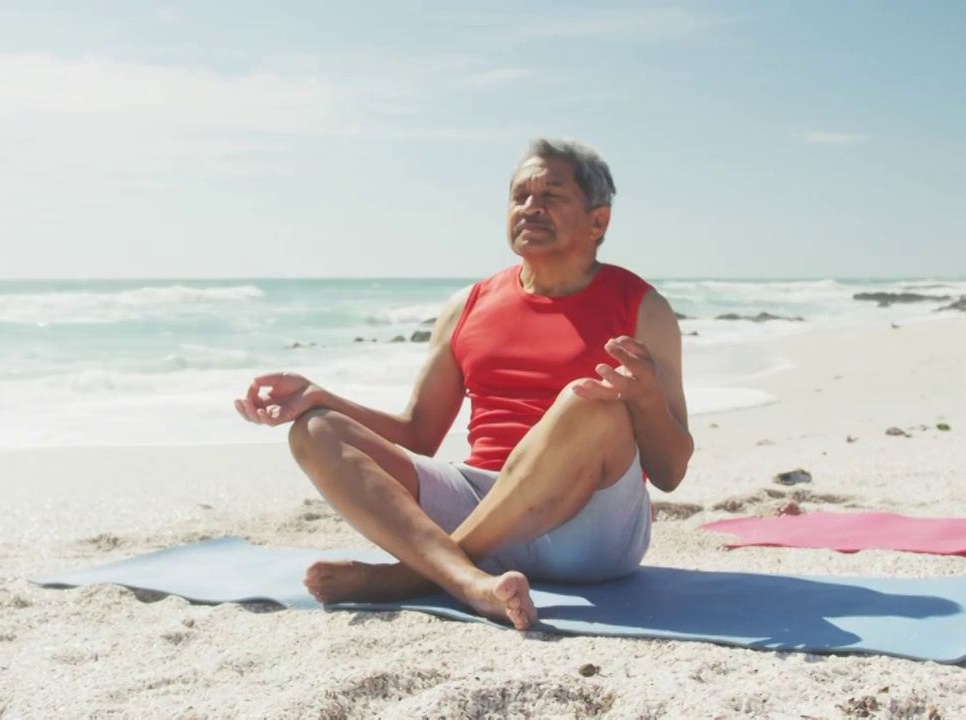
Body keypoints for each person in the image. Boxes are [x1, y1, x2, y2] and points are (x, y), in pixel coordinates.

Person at [234, 138, 693, 629]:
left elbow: (670, 472)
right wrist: (321, 397)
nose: (530, 207)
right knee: (316, 429)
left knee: (588, 403)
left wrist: (644, 399)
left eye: (551, 195)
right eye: (520, 196)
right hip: (478, 507)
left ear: (597, 221)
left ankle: (414, 576)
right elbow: (418, 435)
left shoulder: (642, 308)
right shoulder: (468, 305)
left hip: (589, 530)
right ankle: (468, 580)